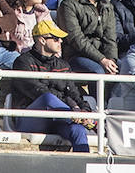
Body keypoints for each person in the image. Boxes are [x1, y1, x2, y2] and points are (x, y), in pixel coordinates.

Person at [9, 19, 91, 150]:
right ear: (41, 40)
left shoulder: (63, 65)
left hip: (60, 119)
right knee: (47, 98)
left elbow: (75, 94)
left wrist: (85, 110)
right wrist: (72, 110)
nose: (61, 42)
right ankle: (78, 118)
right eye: (56, 39)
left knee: (78, 130)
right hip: (30, 119)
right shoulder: (22, 62)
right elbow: (39, 92)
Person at [56, 0, 119, 78]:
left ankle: (112, 96)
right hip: (75, 55)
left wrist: (111, 60)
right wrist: (102, 59)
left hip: (101, 56)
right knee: (98, 71)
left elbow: (110, 38)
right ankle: (98, 97)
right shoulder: (69, 5)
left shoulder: (107, 6)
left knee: (122, 68)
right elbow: (76, 39)